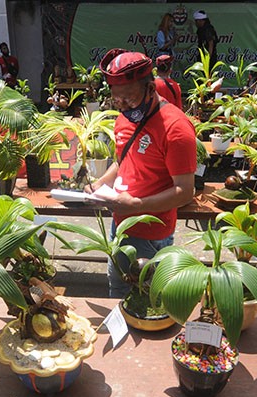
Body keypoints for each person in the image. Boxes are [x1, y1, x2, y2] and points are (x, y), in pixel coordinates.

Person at [85, 48, 196, 298]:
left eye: (129, 98)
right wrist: (101, 183)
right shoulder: (125, 118)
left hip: (150, 233)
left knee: (145, 299)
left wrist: (136, 205)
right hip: (120, 224)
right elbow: (123, 160)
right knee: (118, 290)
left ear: (150, 88)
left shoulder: (176, 128)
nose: (123, 105)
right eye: (117, 99)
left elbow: (185, 191)